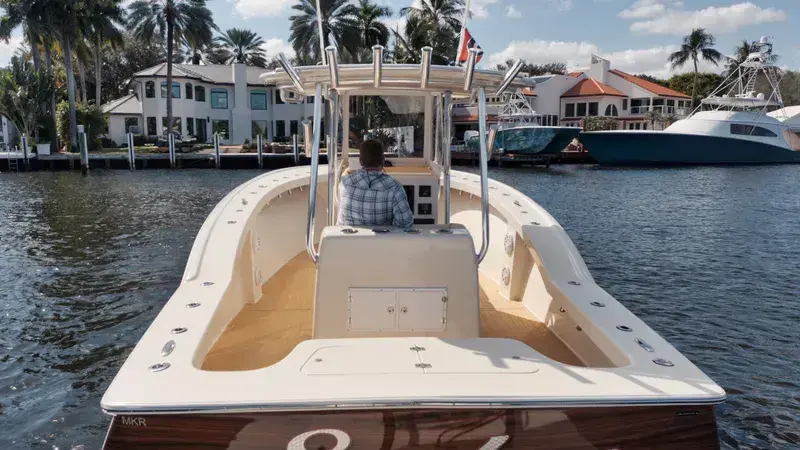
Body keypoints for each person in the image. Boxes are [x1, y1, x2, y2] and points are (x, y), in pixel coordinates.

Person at [337, 139, 414, 229]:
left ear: (360, 161)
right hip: (380, 242)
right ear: (383, 160)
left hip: (346, 242)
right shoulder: (394, 187)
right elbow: (406, 224)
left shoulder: (345, 183)